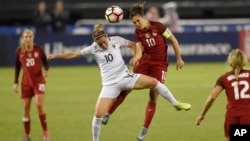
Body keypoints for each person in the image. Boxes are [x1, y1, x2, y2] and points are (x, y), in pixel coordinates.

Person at [47, 23, 191, 141]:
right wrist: (55, 56)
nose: (103, 45)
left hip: (126, 77)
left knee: (154, 82)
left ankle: (175, 103)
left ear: (106, 36)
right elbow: (73, 53)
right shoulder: (93, 48)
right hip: (109, 85)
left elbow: (134, 45)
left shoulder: (115, 40)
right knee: (98, 114)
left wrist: (136, 57)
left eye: (103, 42)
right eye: (99, 44)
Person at [102, 2, 187, 141]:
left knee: (153, 95)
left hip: (160, 65)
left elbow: (174, 41)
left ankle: (144, 129)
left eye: (138, 21)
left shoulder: (159, 26)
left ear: (143, 17)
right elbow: (139, 50)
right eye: (134, 23)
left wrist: (179, 59)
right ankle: (108, 114)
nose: (137, 24)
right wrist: (135, 58)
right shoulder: (138, 32)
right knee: (126, 87)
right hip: (145, 62)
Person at [196, 49, 250, 141]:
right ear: (244, 62)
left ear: (230, 63)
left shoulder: (224, 78)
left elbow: (212, 97)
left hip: (232, 117)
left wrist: (202, 114)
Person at [13, 29, 50, 141]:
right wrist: (15, 82)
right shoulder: (19, 51)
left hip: (38, 81)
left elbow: (46, 61)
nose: (28, 39)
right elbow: (17, 67)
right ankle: (27, 135)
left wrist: (46, 70)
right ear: (23, 39)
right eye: (26, 37)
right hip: (26, 83)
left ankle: (46, 133)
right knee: (25, 108)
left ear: (33, 38)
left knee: (38, 104)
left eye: (30, 36)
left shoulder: (38, 49)